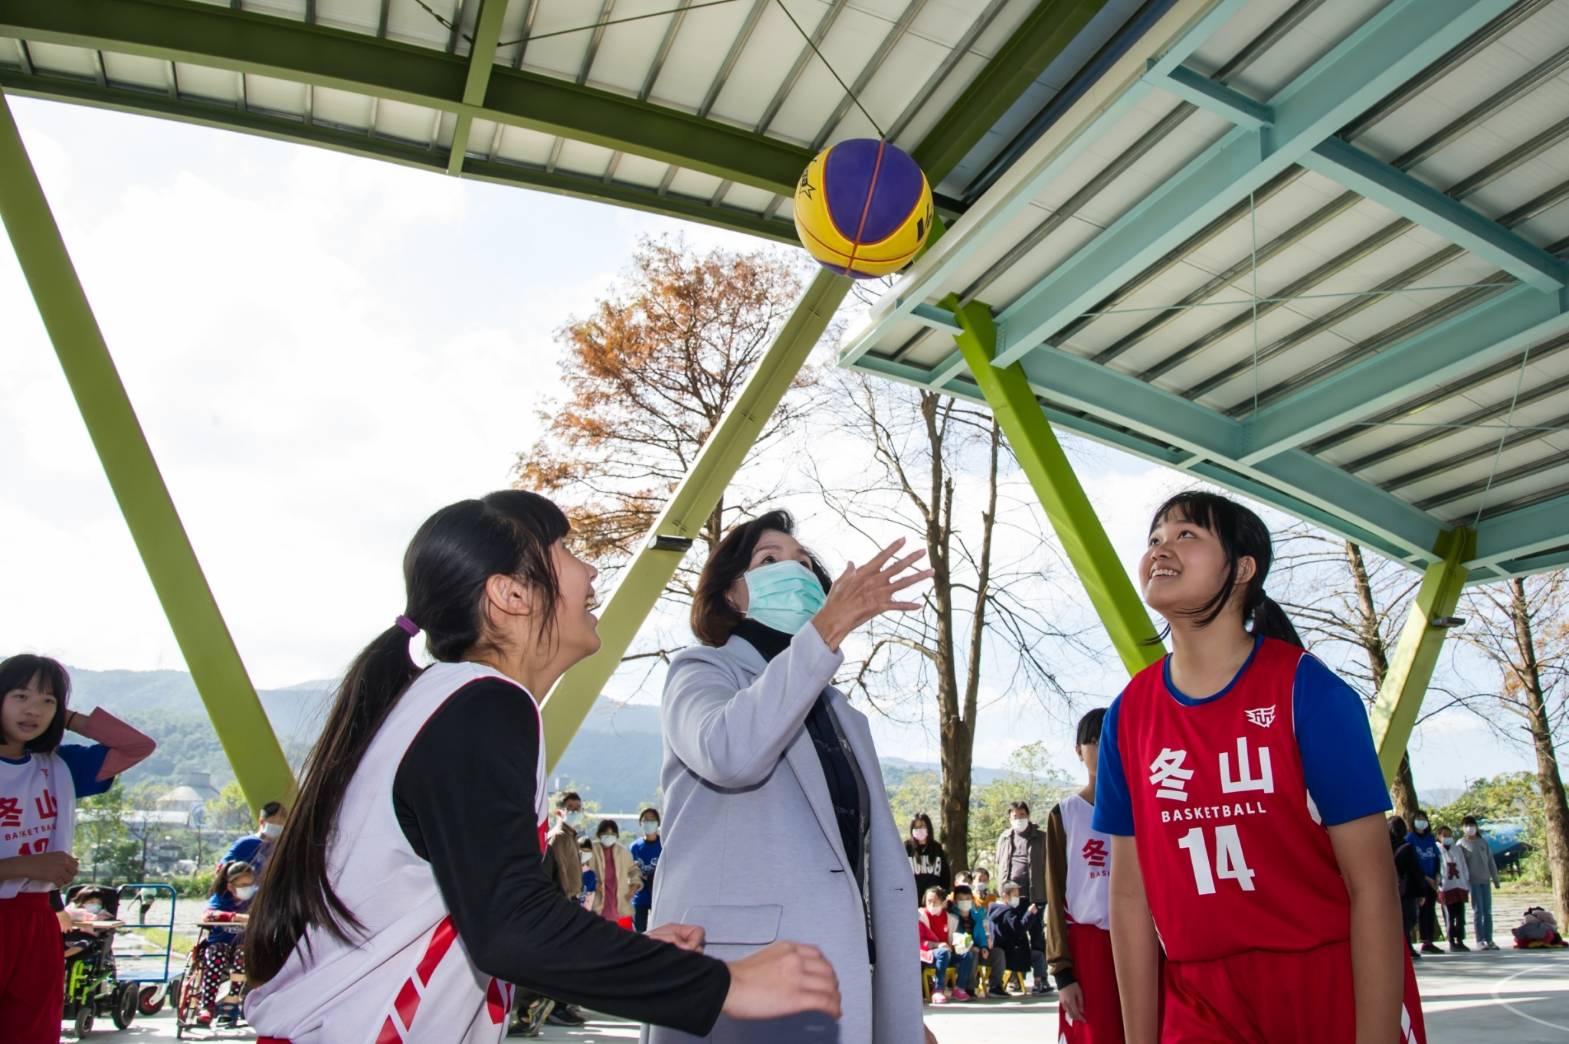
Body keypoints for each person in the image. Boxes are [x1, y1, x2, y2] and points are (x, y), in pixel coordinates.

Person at [242, 491, 842, 1043]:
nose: (591, 571)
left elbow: (476, 925)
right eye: (566, 551)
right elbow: (509, 928)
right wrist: (729, 985)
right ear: (512, 594)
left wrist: (626, 953)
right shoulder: (482, 703)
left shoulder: (447, 702)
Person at [1094, 491, 1426, 1044]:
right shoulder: (1128, 715)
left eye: (1186, 535)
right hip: (1200, 998)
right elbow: (1129, 896)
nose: (1160, 549)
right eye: (1153, 539)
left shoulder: (1307, 691)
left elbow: (1372, 886)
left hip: (1327, 979)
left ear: (1244, 568)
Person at [649, 509, 933, 1044]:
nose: (796, 572)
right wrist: (826, 630)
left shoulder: (842, 712)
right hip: (736, 978)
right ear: (730, 594)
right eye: (769, 560)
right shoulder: (701, 671)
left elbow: (859, 861)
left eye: (805, 563)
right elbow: (729, 753)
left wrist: (893, 1009)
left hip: (834, 981)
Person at [0, 653, 156, 1044]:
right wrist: (24, 866)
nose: (33, 710)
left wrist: (67, 719)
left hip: (36, 922)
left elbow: (137, 746)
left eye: (47, 700)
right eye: (20, 696)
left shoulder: (60, 766)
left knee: (32, 1030)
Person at [1045, 708, 1123, 1044]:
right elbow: (1054, 892)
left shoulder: (1141, 808)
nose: (1101, 747)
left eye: (1109, 739)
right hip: (1088, 948)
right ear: (1079, 751)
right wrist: (1063, 973)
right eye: (1092, 741)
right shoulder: (1065, 814)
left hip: (1139, 942)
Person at [994, 801, 1050, 994]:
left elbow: (1050, 866)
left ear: (1028, 815)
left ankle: (1041, 978)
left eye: (1022, 815)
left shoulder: (1041, 838)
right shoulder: (1004, 837)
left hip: (1035, 895)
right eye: (1015, 816)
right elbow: (998, 864)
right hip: (1011, 897)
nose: (1018, 819)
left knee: (1036, 937)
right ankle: (1015, 978)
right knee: (1013, 938)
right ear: (1010, 818)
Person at [195, 860, 256, 1026]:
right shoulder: (221, 898)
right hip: (220, 943)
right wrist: (235, 917)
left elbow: (263, 916)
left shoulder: (256, 898)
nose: (247, 888)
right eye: (243, 885)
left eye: (249, 884)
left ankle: (232, 1000)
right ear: (230, 886)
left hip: (244, 945)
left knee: (243, 955)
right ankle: (207, 1006)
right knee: (217, 955)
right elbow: (208, 916)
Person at [919, 886, 972, 1004]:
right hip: (927, 953)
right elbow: (919, 941)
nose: (932, 904)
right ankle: (938, 989)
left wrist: (962, 943)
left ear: (943, 902)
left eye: (935, 901)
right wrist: (937, 945)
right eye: (929, 901)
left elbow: (957, 938)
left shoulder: (951, 919)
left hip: (947, 952)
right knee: (943, 952)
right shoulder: (920, 917)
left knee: (966, 954)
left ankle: (959, 988)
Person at [1456, 815, 1502, 950]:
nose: (1470, 828)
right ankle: (1479, 940)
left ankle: (1489, 939)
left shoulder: (1483, 842)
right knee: (1478, 911)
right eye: (1467, 825)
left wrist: (1495, 879)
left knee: (1487, 911)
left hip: (1485, 880)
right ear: (1463, 828)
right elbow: (1460, 865)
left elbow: (1490, 861)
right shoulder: (1461, 843)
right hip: (1472, 882)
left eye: (1472, 825)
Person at [589, 818, 642, 928]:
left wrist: (635, 883)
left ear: (617, 836)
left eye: (612, 833)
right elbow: (580, 869)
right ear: (599, 834)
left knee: (621, 940)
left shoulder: (622, 852)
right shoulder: (590, 849)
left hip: (618, 902)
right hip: (596, 903)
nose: (609, 836)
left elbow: (633, 869)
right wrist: (591, 883)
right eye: (605, 833)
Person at [985, 882, 1032, 996]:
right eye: (1015, 895)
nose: (1017, 898)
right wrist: (1030, 913)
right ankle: (1036, 981)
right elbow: (1019, 928)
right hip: (1008, 950)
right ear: (1005, 896)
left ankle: (1012, 981)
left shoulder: (995, 910)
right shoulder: (1007, 912)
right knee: (1034, 954)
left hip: (1002, 947)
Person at [220, 800, 288, 878]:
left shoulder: (282, 849)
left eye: (281, 824)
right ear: (262, 822)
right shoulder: (246, 843)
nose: (277, 827)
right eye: (273, 823)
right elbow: (223, 868)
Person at [1390, 816, 1425, 962]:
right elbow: (1415, 871)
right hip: (1407, 890)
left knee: (1398, 920)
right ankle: (1405, 945)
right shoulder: (1407, 847)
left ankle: (1404, 946)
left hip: (1391, 890)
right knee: (1408, 918)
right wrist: (1421, 893)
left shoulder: (1383, 847)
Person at [1407, 811, 1443, 955]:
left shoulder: (1429, 838)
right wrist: (1425, 878)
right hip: (1419, 881)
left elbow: (1436, 857)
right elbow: (1412, 862)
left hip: (1432, 880)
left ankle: (1429, 941)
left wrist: (1437, 875)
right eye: (1418, 819)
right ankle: (1419, 940)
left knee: (1430, 910)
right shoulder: (1410, 838)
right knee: (1418, 912)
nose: (1421, 822)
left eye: (1424, 819)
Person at [948, 884, 987, 997]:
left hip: (976, 948)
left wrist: (984, 947)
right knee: (971, 953)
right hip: (959, 950)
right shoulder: (952, 917)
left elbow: (981, 936)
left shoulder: (976, 917)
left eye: (968, 899)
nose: (965, 902)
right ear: (955, 901)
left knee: (998, 954)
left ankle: (996, 986)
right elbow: (955, 937)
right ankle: (969, 988)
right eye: (961, 899)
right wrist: (970, 946)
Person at [1436, 826, 1470, 953]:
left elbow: (1463, 865)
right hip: (1445, 886)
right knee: (1449, 916)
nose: (1448, 837)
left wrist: (1466, 882)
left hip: (1459, 885)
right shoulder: (1437, 849)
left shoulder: (1457, 850)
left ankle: (1460, 939)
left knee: (1460, 916)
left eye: (1449, 835)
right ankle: (1451, 941)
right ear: (1439, 836)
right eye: (1445, 835)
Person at [630, 808, 662, 934]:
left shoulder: (664, 844)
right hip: (640, 897)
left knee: (659, 931)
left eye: (652, 820)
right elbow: (630, 871)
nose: (648, 823)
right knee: (640, 933)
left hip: (659, 896)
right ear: (640, 823)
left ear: (658, 823)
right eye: (645, 820)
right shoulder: (634, 847)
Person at [907, 813, 948, 905]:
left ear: (929, 828)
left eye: (923, 826)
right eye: (916, 827)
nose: (920, 830)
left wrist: (943, 897)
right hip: (912, 902)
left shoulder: (937, 848)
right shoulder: (906, 848)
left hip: (934, 903)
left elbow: (945, 876)